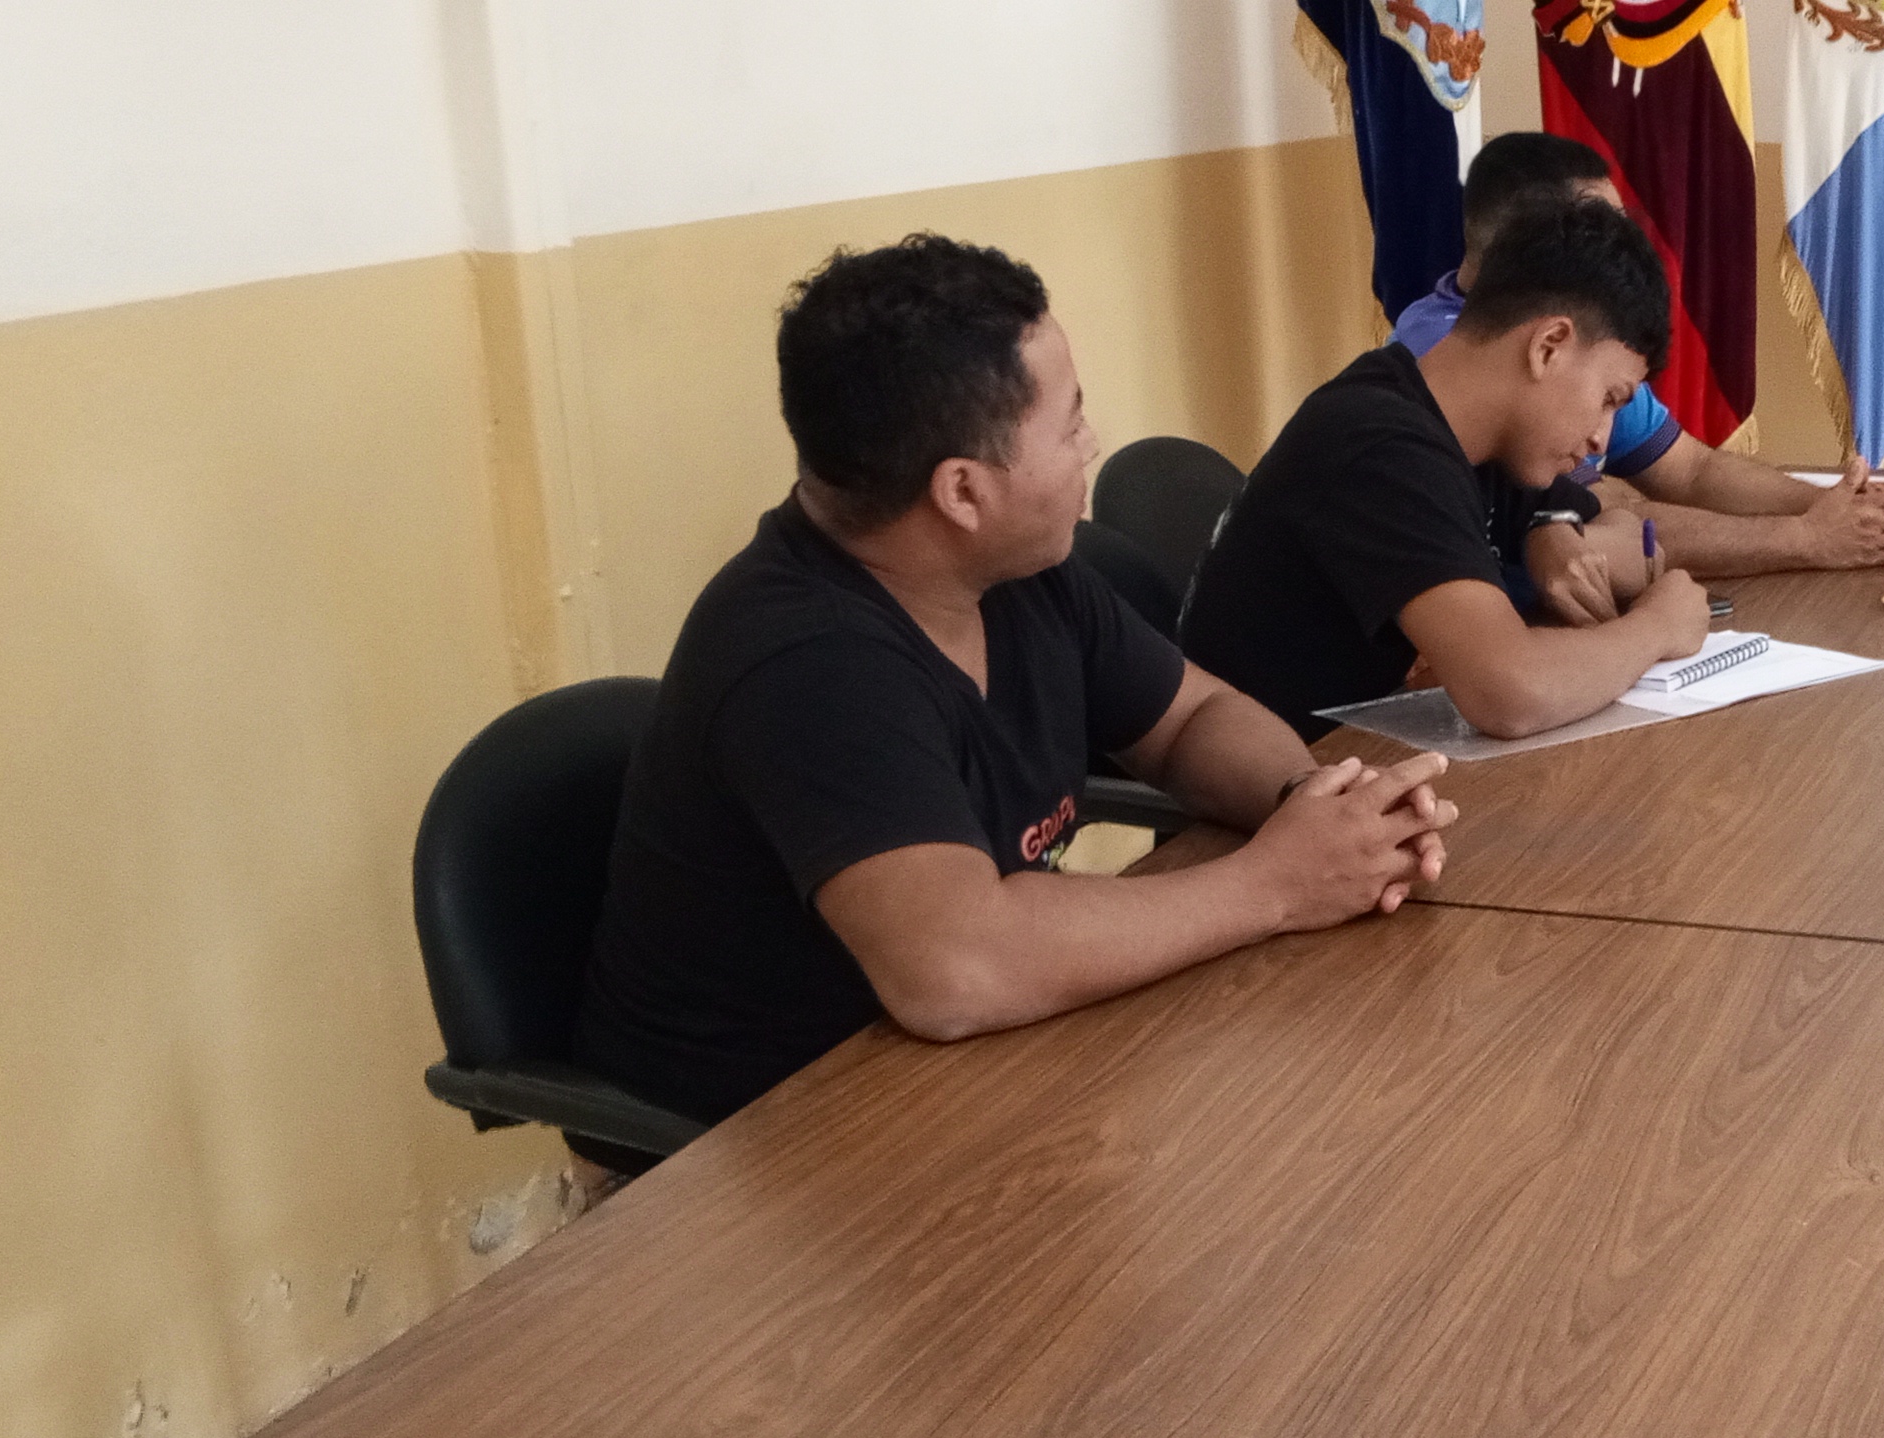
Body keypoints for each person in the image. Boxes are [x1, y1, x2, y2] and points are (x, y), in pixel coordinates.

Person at [574, 235, 1459, 1127]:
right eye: (1069, 424)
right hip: (766, 1138)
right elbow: (956, 969)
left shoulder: (1018, 574)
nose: (1091, 444)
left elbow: (1193, 715)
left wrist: (1313, 804)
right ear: (962, 492)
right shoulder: (806, 661)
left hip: (973, 1068)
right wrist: (1275, 885)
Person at [1184, 199, 1715, 740]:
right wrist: (1656, 628)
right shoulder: (1380, 444)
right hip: (1281, 780)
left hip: (1365, 754)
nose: (1602, 436)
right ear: (1549, 346)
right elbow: (1510, 694)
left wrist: (1550, 529)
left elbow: (1628, 535)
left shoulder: (1483, 438)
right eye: (1608, 398)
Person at [1394, 133, 1884, 577]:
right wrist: (1807, 539)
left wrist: (1841, 507)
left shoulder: (1584, 342)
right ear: (1536, 247)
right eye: (1600, 232)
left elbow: (1692, 470)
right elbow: (1600, 519)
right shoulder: (1460, 356)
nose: (1625, 251)